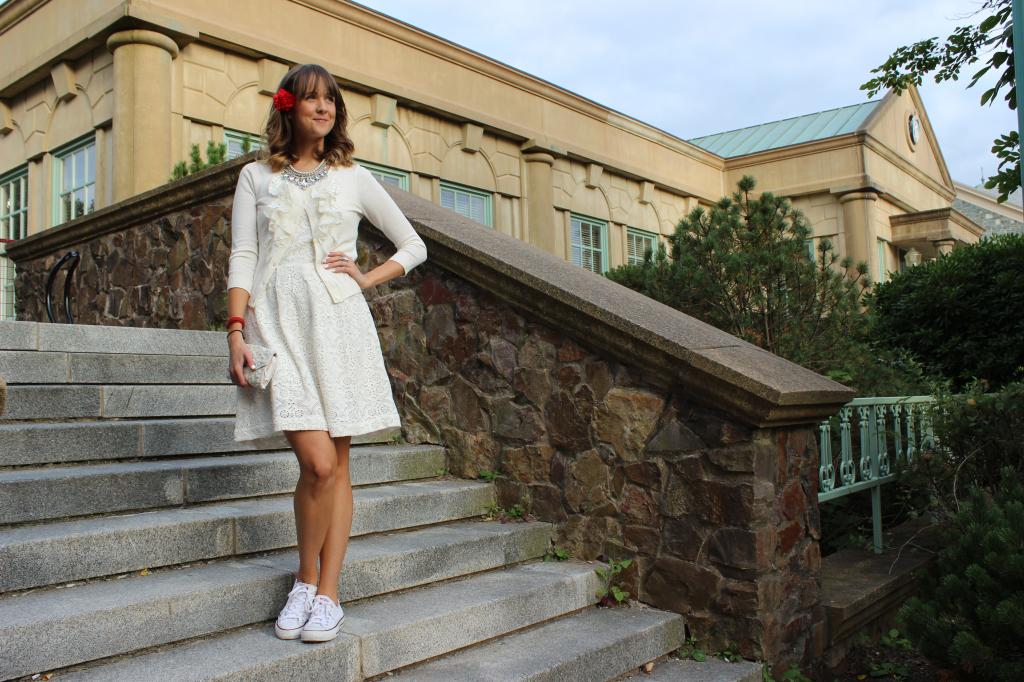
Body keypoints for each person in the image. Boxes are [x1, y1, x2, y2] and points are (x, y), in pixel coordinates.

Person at [225, 63, 427, 643]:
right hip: (276, 321)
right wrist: (237, 330)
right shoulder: (255, 177)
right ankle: (304, 578)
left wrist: (366, 279)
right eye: (311, 99)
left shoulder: (353, 177)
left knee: (337, 464)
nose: (323, 108)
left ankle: (327, 593)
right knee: (315, 462)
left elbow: (414, 245)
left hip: (338, 320)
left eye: (331, 101)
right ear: (288, 107)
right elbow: (242, 256)